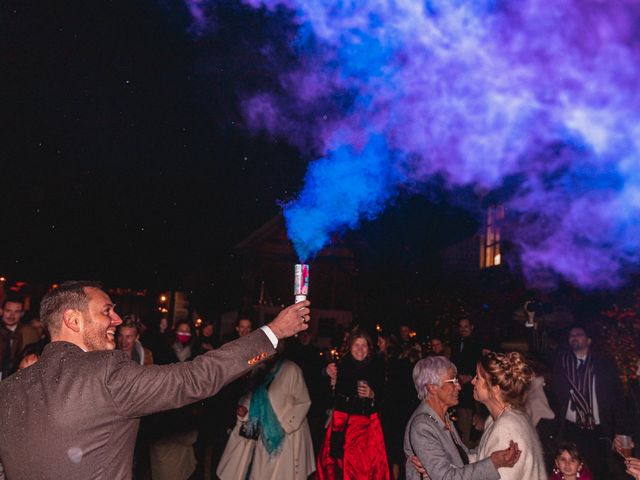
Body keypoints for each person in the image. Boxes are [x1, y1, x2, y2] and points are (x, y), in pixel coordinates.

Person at [0, 280, 310, 479]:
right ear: (73, 319)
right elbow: (196, 378)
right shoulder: (105, 373)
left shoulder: (10, 387)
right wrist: (274, 332)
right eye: (107, 311)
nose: (117, 320)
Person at [404, 356, 520, 480]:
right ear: (432, 387)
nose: (459, 387)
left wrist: (496, 447)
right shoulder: (422, 426)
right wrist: (493, 463)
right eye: (453, 381)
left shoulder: (441, 417)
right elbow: (446, 477)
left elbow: (463, 457)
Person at [217, 355, 316, 479]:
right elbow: (249, 396)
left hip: (285, 436)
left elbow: (303, 401)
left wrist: (284, 426)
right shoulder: (258, 369)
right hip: (259, 433)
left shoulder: (291, 369)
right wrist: (244, 410)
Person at [550, 324, 629, 478]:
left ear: (589, 340)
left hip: (598, 430)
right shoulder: (562, 362)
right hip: (571, 428)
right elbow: (539, 349)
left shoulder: (604, 363)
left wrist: (620, 431)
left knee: (599, 470)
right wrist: (530, 321)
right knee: (571, 471)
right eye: (571, 335)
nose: (574, 337)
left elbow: (617, 399)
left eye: (579, 334)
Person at [317, 329, 389, 479]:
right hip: (342, 423)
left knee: (365, 467)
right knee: (339, 466)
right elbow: (325, 397)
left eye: (364, 346)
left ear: (369, 348)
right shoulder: (340, 366)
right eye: (356, 345)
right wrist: (329, 378)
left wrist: (372, 394)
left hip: (367, 425)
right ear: (350, 347)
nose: (360, 350)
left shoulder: (377, 367)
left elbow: (388, 398)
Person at [473, 351, 547, 479]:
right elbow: (482, 459)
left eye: (478, 378)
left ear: (495, 389)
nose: (473, 381)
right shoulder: (500, 417)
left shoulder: (506, 429)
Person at [451, 317, 487, 447]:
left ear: (471, 327)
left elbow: (481, 363)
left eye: (466, 326)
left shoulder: (478, 343)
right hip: (461, 386)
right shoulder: (457, 342)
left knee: (474, 420)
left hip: (473, 386)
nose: (463, 329)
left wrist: (471, 376)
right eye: (461, 327)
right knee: (462, 418)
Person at [0, 294, 39, 378]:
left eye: (16, 312)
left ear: (22, 314)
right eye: (8, 310)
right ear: (1, 311)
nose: (12, 315)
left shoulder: (30, 333)